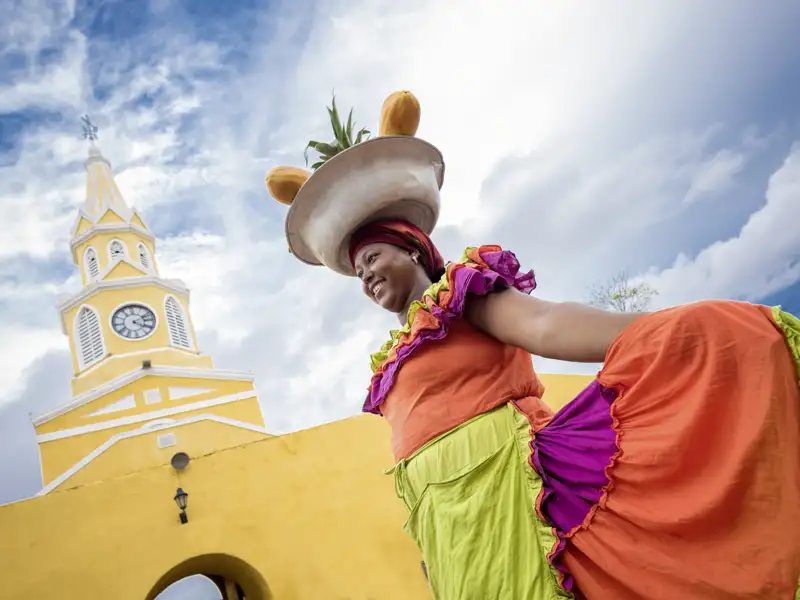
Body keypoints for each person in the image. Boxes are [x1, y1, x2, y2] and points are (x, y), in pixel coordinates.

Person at [266, 91, 800, 599]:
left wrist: (662, 331)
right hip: (450, 529)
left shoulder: (461, 295)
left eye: (374, 258)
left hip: (511, 491)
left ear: (415, 251)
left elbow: (545, 325)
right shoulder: (391, 363)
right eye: (358, 270)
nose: (366, 277)